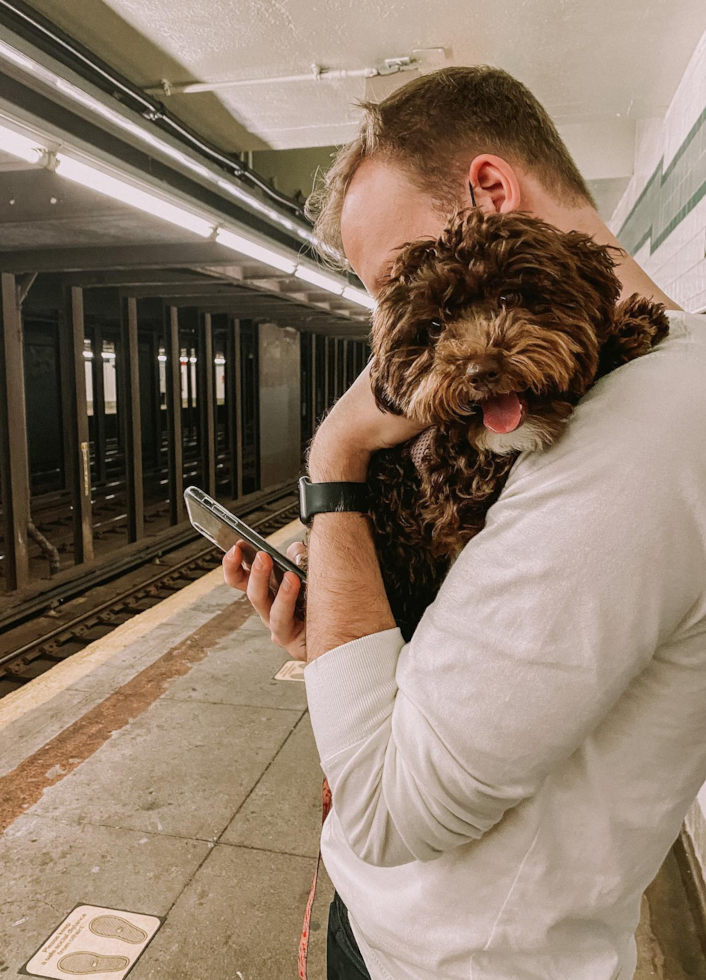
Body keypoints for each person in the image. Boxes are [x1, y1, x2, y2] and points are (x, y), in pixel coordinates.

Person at [222, 66, 706, 980]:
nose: (390, 340)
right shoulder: (581, 402)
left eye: (396, 280)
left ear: (488, 194)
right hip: (396, 928)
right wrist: (339, 619)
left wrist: (335, 457)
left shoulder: (648, 427)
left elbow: (385, 808)